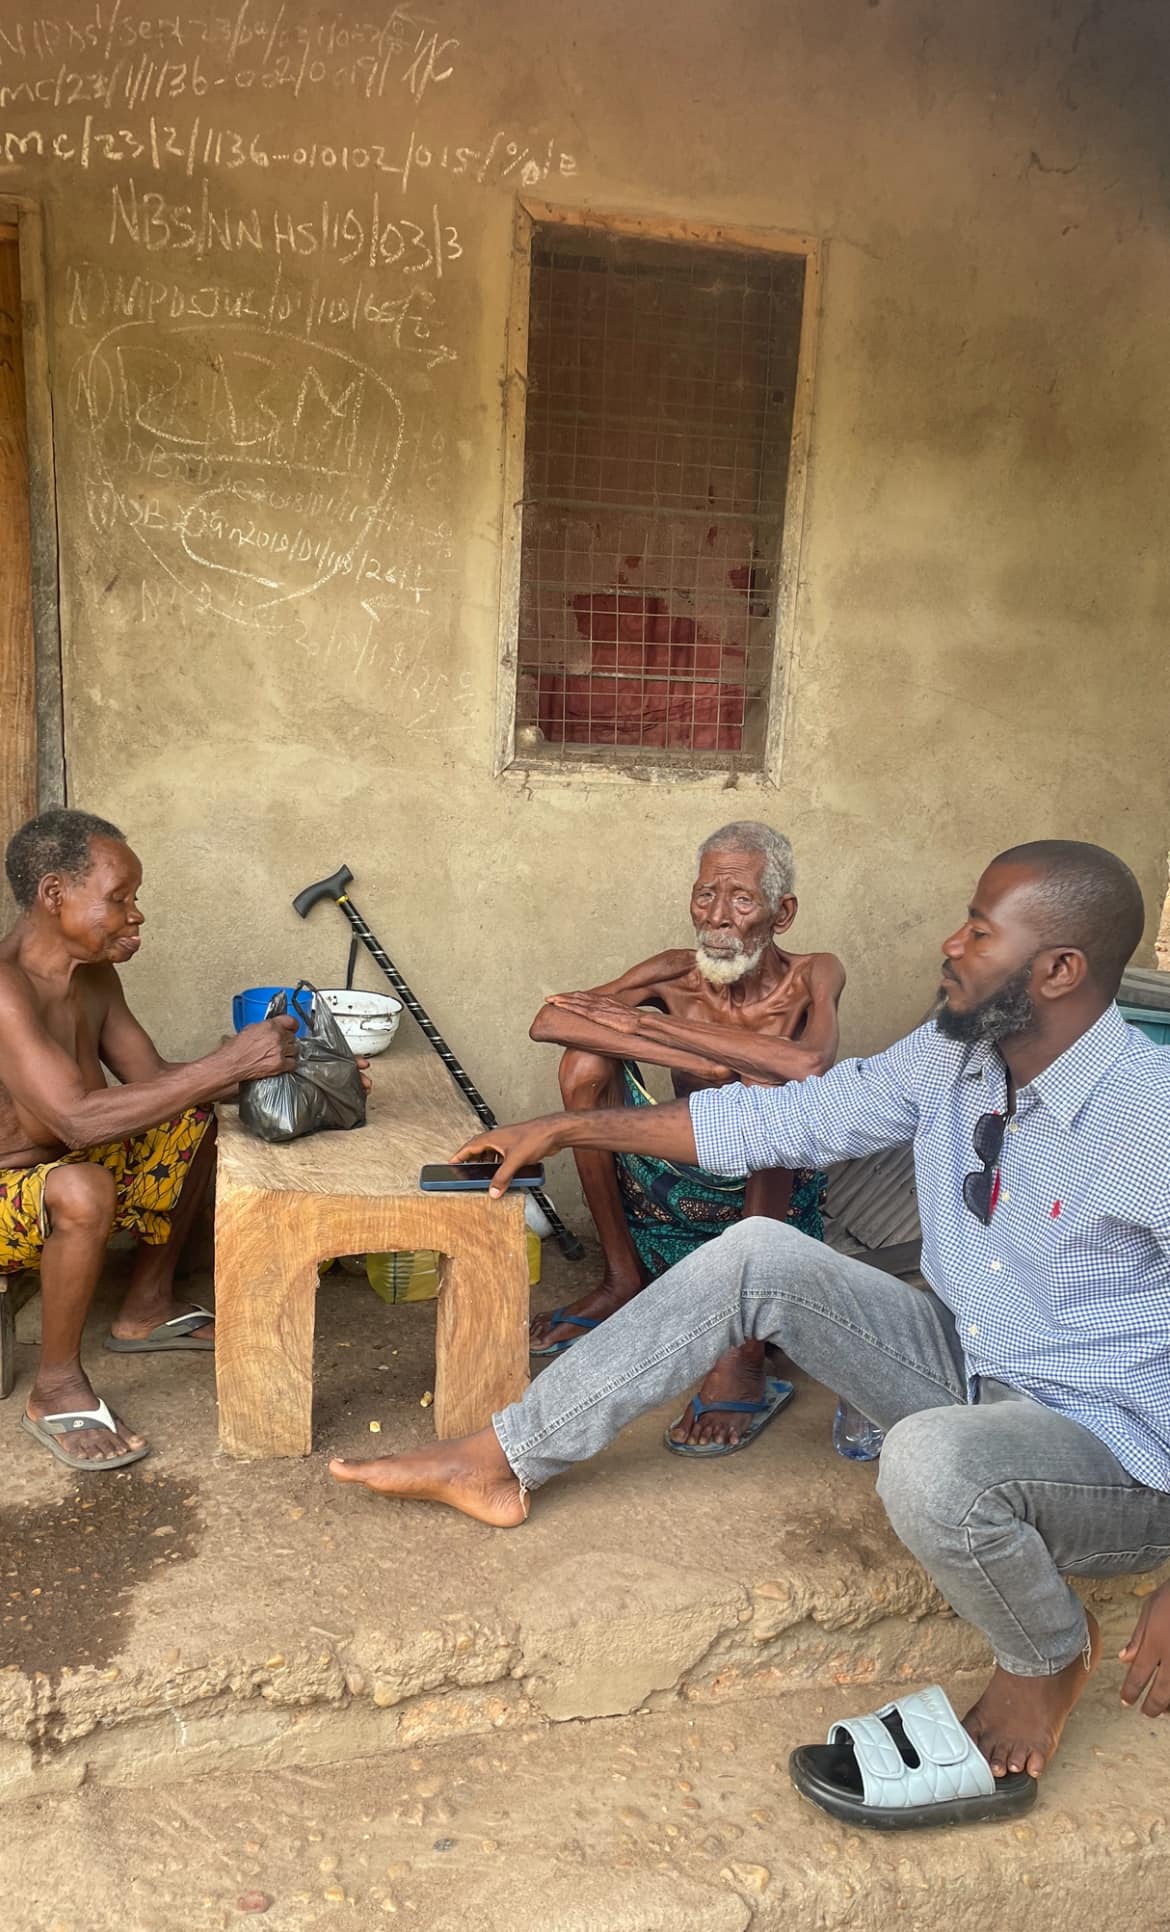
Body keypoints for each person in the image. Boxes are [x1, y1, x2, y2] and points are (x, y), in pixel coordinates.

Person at [332, 840, 1170, 1827]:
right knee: (758, 1251)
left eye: (981, 932)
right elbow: (784, 1120)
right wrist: (564, 1128)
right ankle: (503, 1459)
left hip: (1119, 1452)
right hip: (983, 1368)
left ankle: (1045, 1659)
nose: (952, 943)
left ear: (1059, 969)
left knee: (932, 1464)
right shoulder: (955, 1053)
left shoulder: (1149, 1121)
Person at [528, 821, 844, 1454]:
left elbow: (810, 1063)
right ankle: (622, 1278)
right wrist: (698, 1064)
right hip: (675, 1179)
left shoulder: (814, 974)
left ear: (782, 914)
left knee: (767, 1089)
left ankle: (744, 1350)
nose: (717, 917)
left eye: (742, 899)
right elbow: (551, 1018)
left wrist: (671, 1038)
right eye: (706, 895)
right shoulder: (674, 972)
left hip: (771, 1194)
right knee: (582, 1063)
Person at [0, 809, 300, 1471]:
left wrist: (288, 1069)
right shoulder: (4, 989)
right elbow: (77, 1121)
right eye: (119, 898)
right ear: (54, 894)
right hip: (17, 1192)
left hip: (60, 1169)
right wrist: (227, 1064)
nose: (135, 915)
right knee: (83, 1186)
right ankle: (55, 1389)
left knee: (192, 1122)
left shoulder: (94, 978)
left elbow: (158, 1083)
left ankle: (146, 1307)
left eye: (134, 898)